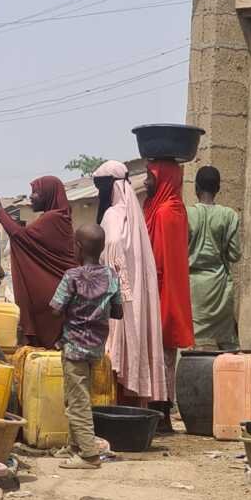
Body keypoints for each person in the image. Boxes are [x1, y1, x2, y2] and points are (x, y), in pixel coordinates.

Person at [93, 160, 167, 405]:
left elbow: (112, 252)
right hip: (133, 297)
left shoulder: (114, 216)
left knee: (114, 355)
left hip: (119, 298)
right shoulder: (133, 215)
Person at [50, 225, 123, 470]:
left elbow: (55, 308)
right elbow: (118, 312)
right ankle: (74, 445)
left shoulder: (72, 276)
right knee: (76, 396)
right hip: (96, 348)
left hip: (74, 347)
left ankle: (89, 455)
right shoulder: (112, 276)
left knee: (77, 400)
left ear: (78, 247)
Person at [0, 177, 76, 348]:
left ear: (48, 195)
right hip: (57, 292)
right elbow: (24, 236)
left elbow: (20, 237)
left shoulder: (53, 219)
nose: (31, 197)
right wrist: (1, 209)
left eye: (36, 192)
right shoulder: (57, 217)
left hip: (53, 295)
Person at [143, 160, 194, 430]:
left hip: (163, 290)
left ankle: (161, 413)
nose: (145, 181)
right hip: (158, 288)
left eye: (150, 176)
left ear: (163, 179)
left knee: (163, 353)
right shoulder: (158, 207)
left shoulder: (167, 212)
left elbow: (160, 260)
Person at [187, 165, 242, 349]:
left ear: (196, 188)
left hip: (194, 289)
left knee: (191, 342)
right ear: (218, 189)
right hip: (221, 289)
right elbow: (235, 255)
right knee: (226, 344)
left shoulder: (187, 214)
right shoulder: (229, 216)